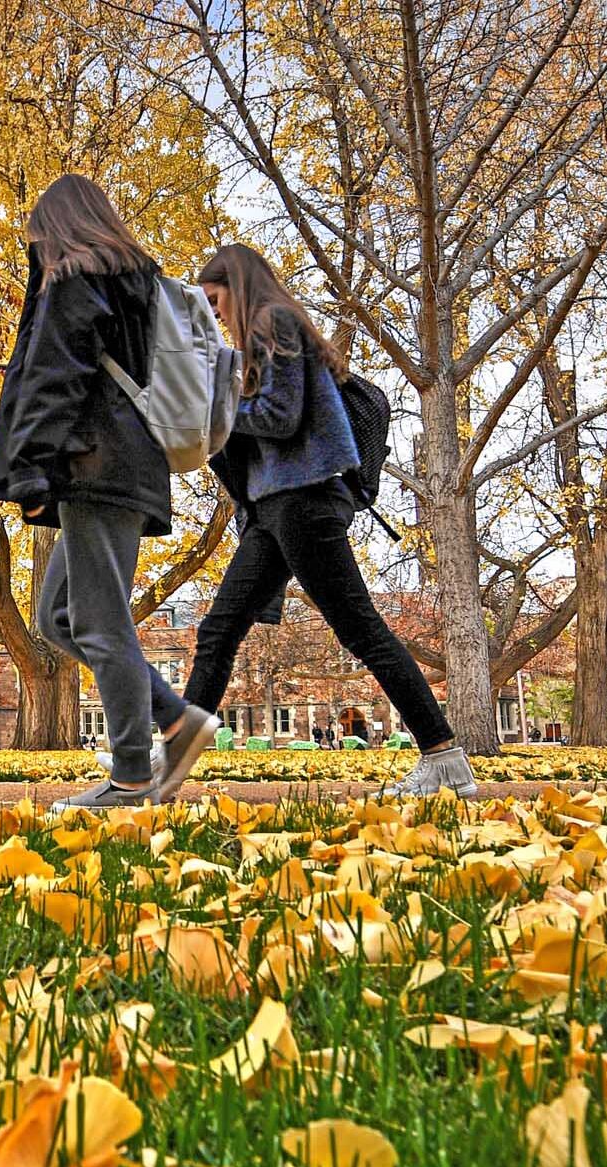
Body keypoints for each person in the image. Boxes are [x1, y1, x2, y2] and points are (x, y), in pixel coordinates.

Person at [180, 244, 476, 799]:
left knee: (361, 628)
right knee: (218, 630)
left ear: (236, 287)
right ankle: (171, 759)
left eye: (216, 301)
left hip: (302, 501)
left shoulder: (275, 321)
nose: (215, 315)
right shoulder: (260, 337)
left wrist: (208, 410)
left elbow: (280, 417)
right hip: (272, 509)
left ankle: (444, 757)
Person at [0, 173, 219, 810]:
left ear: (55, 230)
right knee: (59, 615)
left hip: (97, 466)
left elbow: (56, 377)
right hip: (129, 466)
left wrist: (30, 468)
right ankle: (174, 719)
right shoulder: (135, 283)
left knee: (97, 621)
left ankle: (133, 776)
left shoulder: (76, 278)